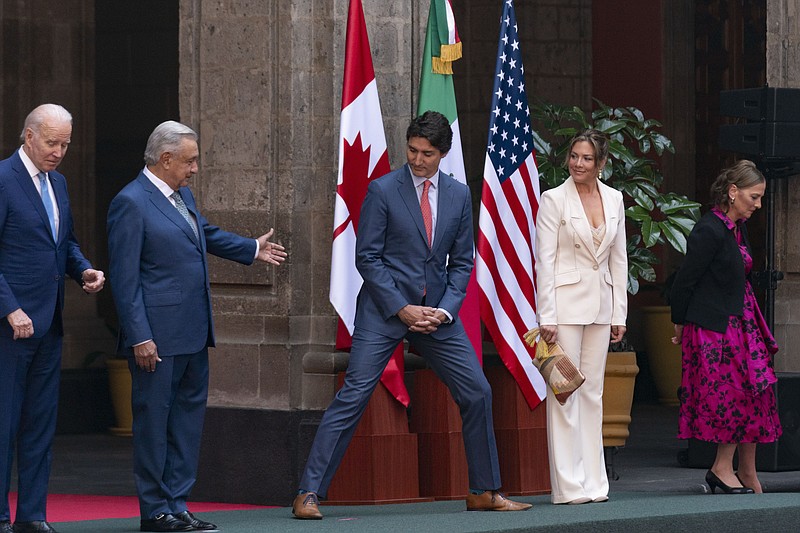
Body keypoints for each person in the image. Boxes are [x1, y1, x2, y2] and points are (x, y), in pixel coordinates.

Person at [292, 111, 532, 519]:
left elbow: (462, 263)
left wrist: (443, 310)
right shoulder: (382, 190)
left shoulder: (458, 194)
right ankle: (308, 494)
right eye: (413, 150)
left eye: (428, 153)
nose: (418, 159)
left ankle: (483, 491)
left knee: (478, 391)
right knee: (353, 395)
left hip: (436, 315)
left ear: (443, 153)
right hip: (385, 312)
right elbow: (366, 257)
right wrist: (401, 309)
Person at [107, 121, 287, 532]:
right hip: (156, 339)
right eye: (190, 161)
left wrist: (251, 249)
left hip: (193, 330)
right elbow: (125, 278)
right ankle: (155, 511)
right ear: (165, 158)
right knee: (154, 424)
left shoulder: (180, 195)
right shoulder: (130, 202)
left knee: (186, 422)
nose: (195, 169)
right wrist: (140, 336)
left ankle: (178, 502)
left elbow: (203, 233)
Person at [0, 104, 105, 533]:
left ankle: (32, 515)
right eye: (51, 142)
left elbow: (64, 243)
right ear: (28, 137)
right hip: (11, 326)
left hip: (49, 324)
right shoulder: (4, 180)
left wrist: (82, 270)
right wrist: (10, 308)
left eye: (65, 144)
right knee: (4, 423)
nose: (59, 151)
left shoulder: (57, 182)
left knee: (41, 426)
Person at [670, 159, 781, 495]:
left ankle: (747, 470)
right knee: (733, 396)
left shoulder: (737, 227)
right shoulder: (709, 229)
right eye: (754, 197)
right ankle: (720, 468)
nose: (758, 205)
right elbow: (684, 282)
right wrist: (678, 324)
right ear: (733, 192)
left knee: (759, 392)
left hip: (742, 322)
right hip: (715, 328)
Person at [533, 129, 628, 504]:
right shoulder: (553, 199)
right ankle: (569, 486)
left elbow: (618, 259)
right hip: (564, 308)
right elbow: (545, 260)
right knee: (564, 393)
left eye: (587, 158)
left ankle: (594, 483)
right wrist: (547, 315)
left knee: (593, 393)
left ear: (601, 163)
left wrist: (619, 311)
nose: (578, 163)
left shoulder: (615, 199)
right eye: (574, 156)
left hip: (601, 307)